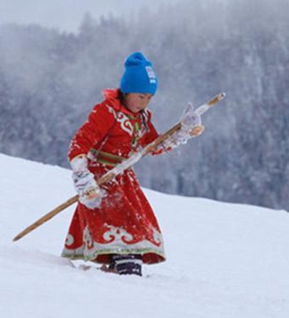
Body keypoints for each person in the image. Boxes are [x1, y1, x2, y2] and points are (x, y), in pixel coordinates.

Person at [61, 52, 204, 276]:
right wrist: (82, 175)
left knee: (136, 222)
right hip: (103, 179)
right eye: (140, 96)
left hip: (124, 178)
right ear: (127, 91)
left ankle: (121, 269)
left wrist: (181, 131)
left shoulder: (143, 118)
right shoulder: (107, 112)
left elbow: (152, 145)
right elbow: (80, 143)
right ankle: (125, 270)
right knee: (123, 222)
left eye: (149, 97)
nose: (144, 102)